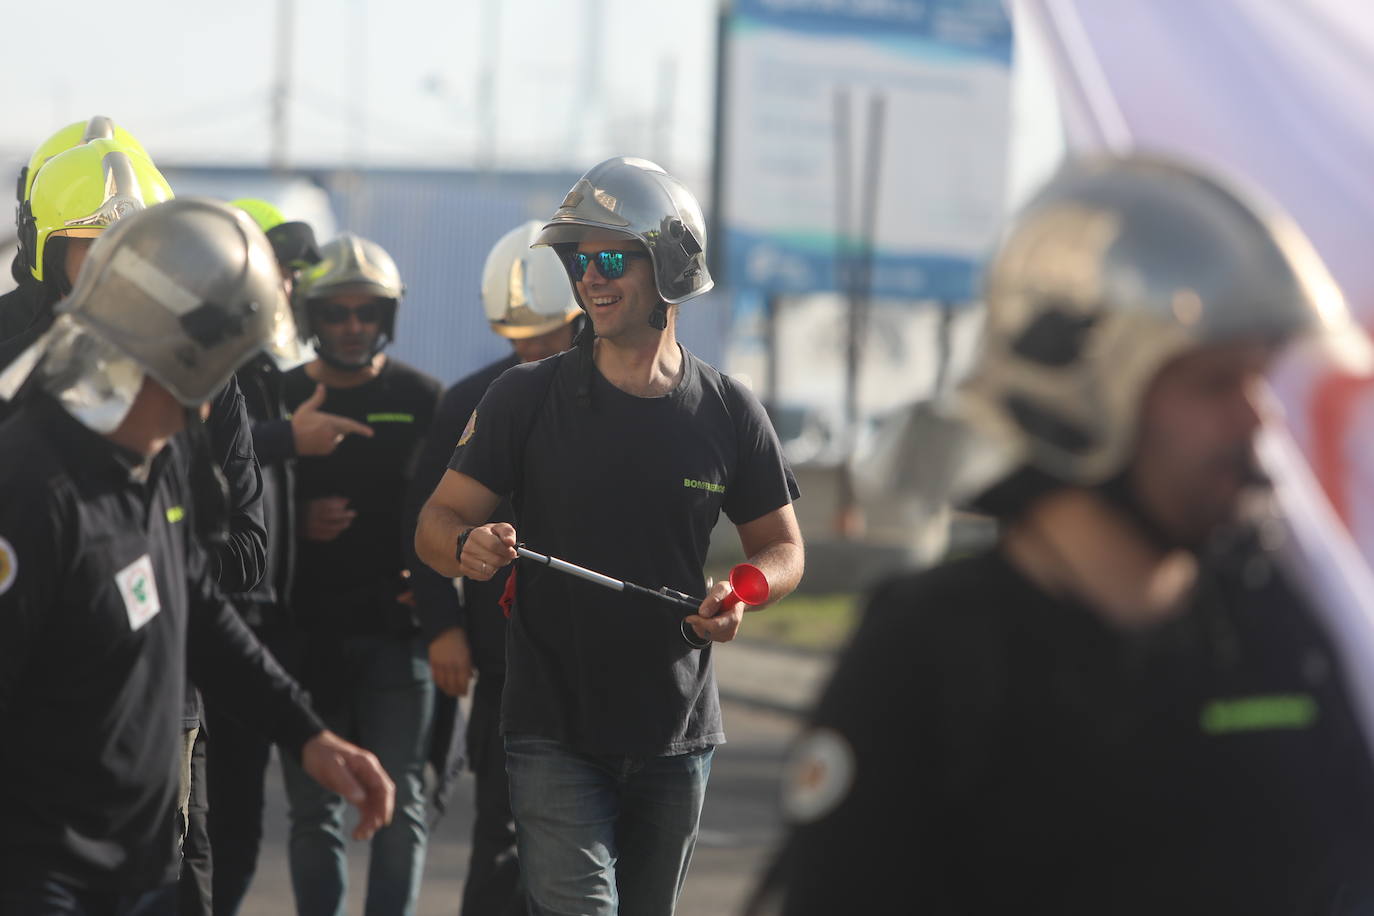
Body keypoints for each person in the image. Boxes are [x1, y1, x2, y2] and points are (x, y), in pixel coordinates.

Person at [753, 155, 1374, 915]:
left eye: (1258, 379)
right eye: (1215, 383)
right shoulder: (936, 657)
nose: (1258, 419)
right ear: (1085, 390)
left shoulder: (1279, 622)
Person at [415, 157, 805, 916]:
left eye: (609, 259)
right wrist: (466, 548)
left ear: (670, 264)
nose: (589, 279)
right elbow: (435, 523)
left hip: (676, 734)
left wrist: (742, 591)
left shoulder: (729, 411)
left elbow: (784, 549)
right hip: (551, 728)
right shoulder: (523, 397)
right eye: (578, 261)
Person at [0, 197, 395, 915]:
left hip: (144, 865)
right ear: (178, 354)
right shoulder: (32, 487)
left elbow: (199, 612)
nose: (231, 392)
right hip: (39, 879)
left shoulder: (162, 460)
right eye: (229, 366)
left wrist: (306, 733)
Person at [203, 199, 375, 916]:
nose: (296, 287)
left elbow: (249, 486)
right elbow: (221, 458)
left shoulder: (268, 364)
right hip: (220, 618)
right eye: (285, 268)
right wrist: (287, 443)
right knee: (216, 825)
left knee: (237, 827)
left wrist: (292, 514)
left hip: (264, 615)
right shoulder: (216, 360)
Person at [407, 219, 582, 916]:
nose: (531, 353)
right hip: (506, 661)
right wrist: (442, 626)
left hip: (601, 661)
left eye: (546, 338)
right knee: (503, 841)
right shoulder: (471, 402)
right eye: (519, 341)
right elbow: (421, 522)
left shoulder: (616, 407)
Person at [281, 233, 441, 916]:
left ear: (387, 317)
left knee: (401, 799)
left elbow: (461, 507)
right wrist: (296, 518)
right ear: (310, 318)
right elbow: (230, 504)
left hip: (397, 637)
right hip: (303, 640)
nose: (351, 326)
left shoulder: (425, 398)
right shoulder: (278, 396)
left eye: (365, 312)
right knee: (314, 809)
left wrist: (436, 583)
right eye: (336, 312)